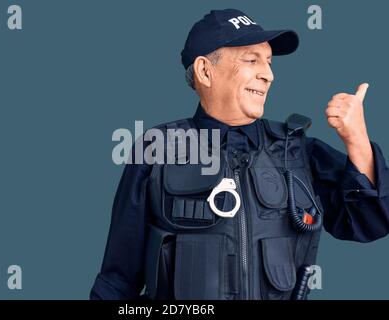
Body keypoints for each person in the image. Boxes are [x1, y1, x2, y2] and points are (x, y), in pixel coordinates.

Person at [90, 8, 389, 300]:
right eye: (252, 60)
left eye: (269, 62)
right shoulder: (157, 151)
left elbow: (369, 222)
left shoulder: (296, 149)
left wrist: (357, 141)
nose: (268, 75)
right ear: (205, 71)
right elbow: (118, 280)